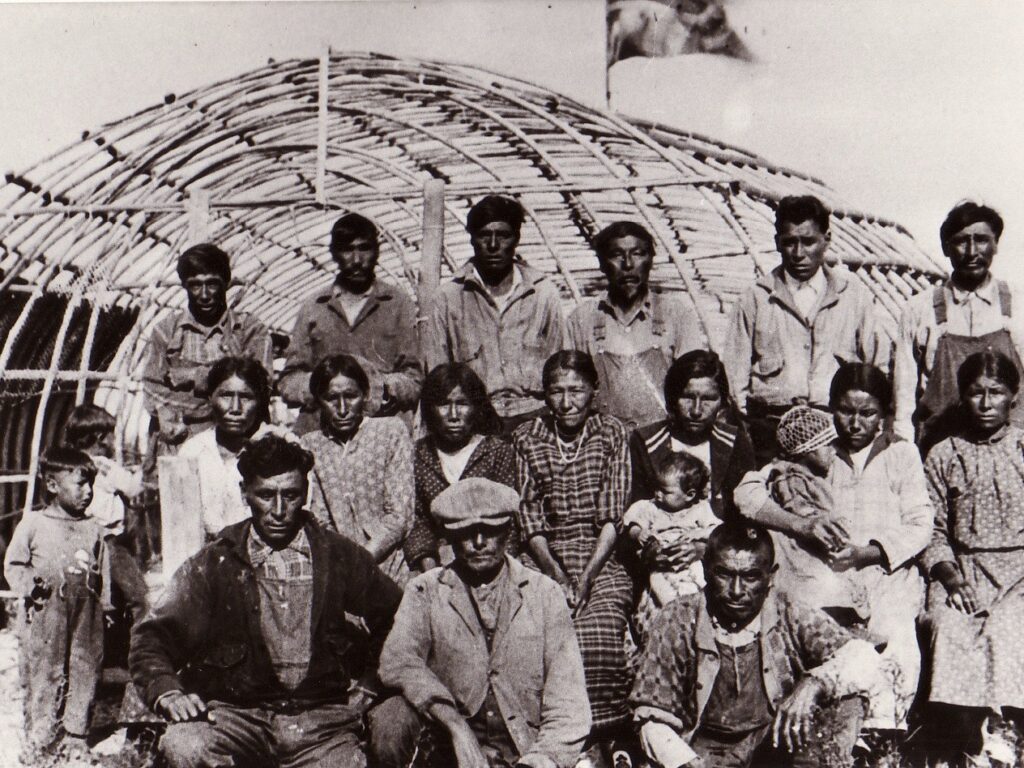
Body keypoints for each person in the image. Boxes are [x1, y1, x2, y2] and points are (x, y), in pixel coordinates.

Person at [129, 434, 403, 768]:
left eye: (290, 496)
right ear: (244, 493)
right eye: (265, 495)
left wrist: (372, 683)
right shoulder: (216, 562)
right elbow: (153, 636)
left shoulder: (336, 554)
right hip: (236, 717)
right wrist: (168, 691)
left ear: (305, 494)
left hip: (321, 721)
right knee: (185, 746)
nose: (278, 511)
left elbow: (398, 617)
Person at [737, 368, 934, 731]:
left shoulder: (901, 454)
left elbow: (921, 525)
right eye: (845, 411)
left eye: (868, 413)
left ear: (885, 415)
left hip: (886, 574)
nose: (855, 423)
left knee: (896, 643)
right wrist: (802, 525)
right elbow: (747, 495)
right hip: (826, 577)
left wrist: (868, 552)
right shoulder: (816, 449)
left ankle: (880, 735)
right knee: (819, 646)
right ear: (830, 409)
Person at [630, 522, 890, 768]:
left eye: (751, 577)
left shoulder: (787, 610)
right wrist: (685, 762)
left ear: (771, 576)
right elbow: (651, 716)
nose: (736, 590)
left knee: (847, 699)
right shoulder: (679, 618)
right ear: (707, 569)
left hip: (774, 749)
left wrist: (814, 683)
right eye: (724, 574)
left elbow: (861, 656)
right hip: (703, 752)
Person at [372, 478, 592, 768]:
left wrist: (539, 760)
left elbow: (568, 702)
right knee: (391, 717)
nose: (478, 543)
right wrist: (455, 726)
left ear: (508, 531)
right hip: (449, 751)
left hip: (524, 750)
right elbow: (397, 661)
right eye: (466, 533)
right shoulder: (425, 590)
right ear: (449, 538)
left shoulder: (544, 593)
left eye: (489, 531)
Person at [512, 351, 634, 747]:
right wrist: (557, 574)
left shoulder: (612, 434)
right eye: (556, 392)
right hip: (543, 555)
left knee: (596, 633)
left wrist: (587, 578)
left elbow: (613, 516)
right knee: (542, 636)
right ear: (545, 396)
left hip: (601, 554)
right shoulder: (528, 437)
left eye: (576, 391)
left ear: (593, 393)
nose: (566, 402)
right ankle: (554, 739)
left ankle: (604, 736)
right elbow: (528, 516)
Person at [722, 195, 889, 464]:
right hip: (770, 433)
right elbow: (734, 379)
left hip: (837, 433)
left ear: (827, 238)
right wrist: (753, 430)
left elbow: (879, 367)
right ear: (777, 242)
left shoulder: (853, 297)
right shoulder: (756, 298)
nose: (798, 253)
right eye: (789, 242)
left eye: (809, 242)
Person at [921, 350, 1024, 758]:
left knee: (1008, 629)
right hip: (963, 570)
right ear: (962, 397)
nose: (985, 404)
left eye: (995, 393)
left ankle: (1010, 739)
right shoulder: (943, 454)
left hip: (1021, 576)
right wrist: (952, 578)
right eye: (975, 393)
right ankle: (964, 746)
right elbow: (933, 530)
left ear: (1012, 397)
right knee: (950, 629)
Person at [424, 195, 566, 432]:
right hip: (475, 422)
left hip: (536, 417)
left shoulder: (542, 294)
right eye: (483, 235)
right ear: (472, 239)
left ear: (516, 239)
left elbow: (561, 366)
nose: (493, 244)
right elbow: (437, 376)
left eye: (503, 235)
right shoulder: (447, 298)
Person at [4, 448, 109, 759]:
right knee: (44, 669)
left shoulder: (94, 528)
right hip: (45, 613)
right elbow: (14, 564)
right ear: (52, 485)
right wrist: (29, 587)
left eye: (91, 483)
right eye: (80, 483)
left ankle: (76, 733)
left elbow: (102, 571)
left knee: (84, 665)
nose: (88, 492)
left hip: (86, 614)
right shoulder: (33, 524)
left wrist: (106, 606)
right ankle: (42, 735)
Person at [893, 202, 1024, 450]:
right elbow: (904, 397)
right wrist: (904, 452)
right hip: (940, 452)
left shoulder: (1019, 304)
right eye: (961, 241)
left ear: (996, 244)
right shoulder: (918, 310)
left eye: (982, 240)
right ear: (945, 247)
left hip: (1014, 454)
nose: (972, 251)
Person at [279, 213, 422, 427]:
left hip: (381, 428)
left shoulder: (399, 305)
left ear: (377, 251)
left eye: (364, 248)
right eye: (347, 250)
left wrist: (382, 387)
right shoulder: (314, 308)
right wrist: (323, 386)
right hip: (322, 430)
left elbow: (416, 378)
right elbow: (289, 381)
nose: (356, 260)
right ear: (335, 254)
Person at [566, 221, 707, 431]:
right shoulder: (582, 319)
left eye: (638, 253)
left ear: (650, 260)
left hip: (662, 440)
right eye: (616, 255)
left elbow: (695, 385)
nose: (628, 265)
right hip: (603, 440)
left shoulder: (676, 314)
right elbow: (569, 389)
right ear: (602, 264)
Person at [143, 243, 273, 449]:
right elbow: (152, 389)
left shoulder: (249, 329)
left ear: (226, 283)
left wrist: (193, 376)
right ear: (185, 285)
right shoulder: (166, 331)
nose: (204, 294)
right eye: (195, 285)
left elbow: (262, 384)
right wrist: (218, 396)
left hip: (239, 444)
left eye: (212, 284)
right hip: (180, 442)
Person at [302, 354, 414, 585]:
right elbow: (320, 518)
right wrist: (344, 565)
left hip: (392, 568)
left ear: (364, 394)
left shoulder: (390, 431)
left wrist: (361, 560)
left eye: (351, 396)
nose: (342, 408)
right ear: (319, 401)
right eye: (332, 398)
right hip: (338, 571)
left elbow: (400, 515)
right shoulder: (311, 445)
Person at [404, 363, 517, 574]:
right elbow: (418, 521)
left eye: (463, 403)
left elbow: (509, 521)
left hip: (489, 556)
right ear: (430, 408)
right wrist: (430, 567)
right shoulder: (418, 455)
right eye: (444, 404)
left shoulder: (496, 452)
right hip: (437, 560)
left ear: (476, 407)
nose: (454, 415)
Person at [630, 350, 755, 516]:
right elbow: (637, 509)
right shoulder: (645, 441)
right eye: (687, 397)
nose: (696, 410)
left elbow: (746, 504)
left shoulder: (734, 441)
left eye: (708, 399)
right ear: (673, 398)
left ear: (721, 402)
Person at [177, 356, 288, 538]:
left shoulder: (280, 451)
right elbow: (182, 527)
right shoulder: (193, 452)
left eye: (246, 397)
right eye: (226, 396)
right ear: (210, 398)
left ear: (260, 402)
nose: (235, 408)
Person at [624, 453, 717, 633]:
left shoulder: (700, 509)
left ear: (689, 495)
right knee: (659, 583)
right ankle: (672, 610)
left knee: (699, 581)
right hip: (661, 565)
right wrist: (639, 533)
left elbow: (715, 529)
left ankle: (693, 613)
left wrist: (699, 532)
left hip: (690, 563)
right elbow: (632, 525)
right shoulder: (652, 508)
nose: (658, 494)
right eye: (657, 488)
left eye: (665, 491)